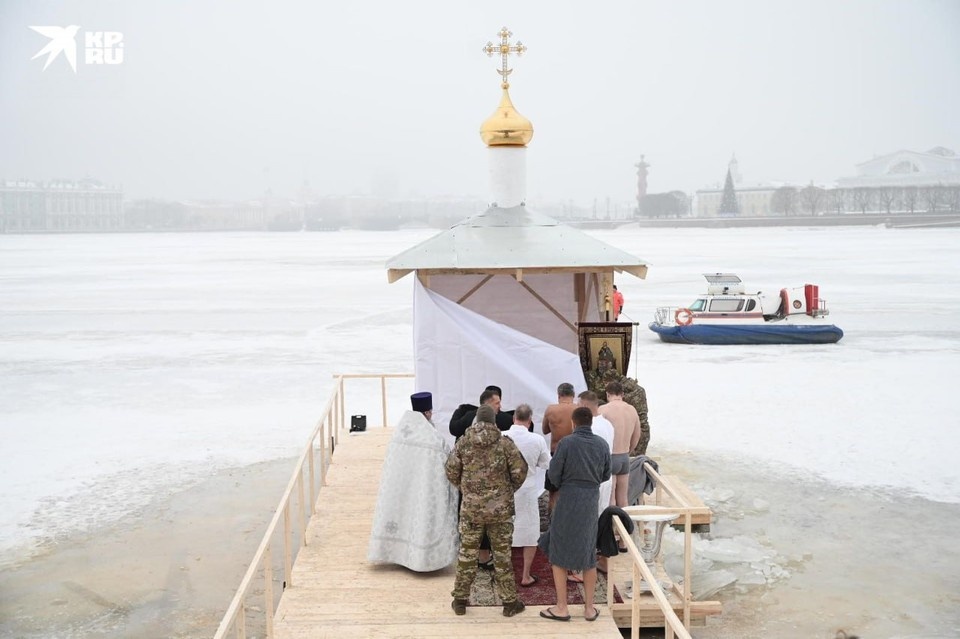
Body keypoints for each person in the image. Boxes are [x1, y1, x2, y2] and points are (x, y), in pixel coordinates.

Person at [446, 406, 528, 618]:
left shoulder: (463, 442)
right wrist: (506, 491)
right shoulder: (505, 443)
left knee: (467, 554)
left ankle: (460, 601)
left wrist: (466, 490)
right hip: (500, 511)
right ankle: (509, 603)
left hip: (472, 510)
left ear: (475, 421)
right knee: (502, 556)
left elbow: (451, 470)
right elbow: (520, 472)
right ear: (494, 422)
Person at [367, 392, 459, 572]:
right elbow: (445, 464)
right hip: (423, 489)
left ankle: (395, 554)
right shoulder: (433, 438)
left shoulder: (400, 433)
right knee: (420, 517)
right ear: (427, 413)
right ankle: (420, 559)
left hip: (400, 488)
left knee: (403, 514)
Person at [537, 406, 611, 623]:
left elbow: (554, 474)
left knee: (559, 552)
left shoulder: (566, 443)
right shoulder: (602, 444)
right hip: (590, 501)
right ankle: (589, 608)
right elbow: (606, 474)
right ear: (591, 423)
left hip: (568, 499)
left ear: (573, 423)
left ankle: (562, 607)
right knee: (588, 554)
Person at [503, 404, 551, 588]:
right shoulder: (537, 440)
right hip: (527, 490)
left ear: (513, 418)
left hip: (505, 490)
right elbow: (546, 464)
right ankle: (525, 575)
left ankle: (505, 574)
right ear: (530, 421)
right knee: (530, 533)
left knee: (503, 531)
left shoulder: (501, 436)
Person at [598, 381, 642, 508]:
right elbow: (637, 435)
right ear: (622, 394)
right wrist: (629, 450)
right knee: (623, 500)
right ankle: (625, 521)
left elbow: (598, 433)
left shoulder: (603, 409)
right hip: (624, 457)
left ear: (607, 394)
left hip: (610, 456)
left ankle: (611, 521)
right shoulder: (632, 410)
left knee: (610, 499)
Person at [541, 382, 577, 511]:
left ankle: (552, 519)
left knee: (553, 491)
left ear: (558, 395)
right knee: (573, 489)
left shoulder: (551, 410)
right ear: (573, 395)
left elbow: (545, 430)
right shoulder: (578, 409)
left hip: (556, 452)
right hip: (574, 453)